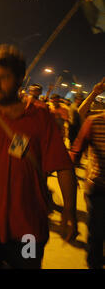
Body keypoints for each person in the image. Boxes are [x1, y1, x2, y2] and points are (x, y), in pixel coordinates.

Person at [0, 44, 78, 269]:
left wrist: (70, 211)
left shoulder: (40, 116)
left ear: (19, 78)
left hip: (29, 227)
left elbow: (63, 166)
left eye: (3, 77)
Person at [70, 110, 105, 269]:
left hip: (96, 186)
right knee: (97, 234)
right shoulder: (94, 121)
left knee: (97, 234)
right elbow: (77, 151)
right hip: (98, 187)